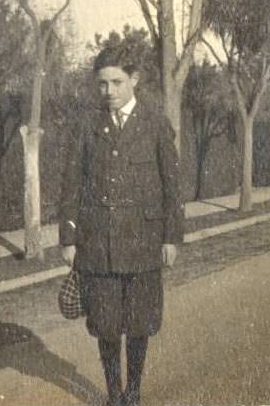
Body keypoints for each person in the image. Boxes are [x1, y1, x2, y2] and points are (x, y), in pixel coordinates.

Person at [59, 44, 184, 406]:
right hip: (98, 244)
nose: (108, 92)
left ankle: (134, 390)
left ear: (134, 80)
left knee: (140, 324)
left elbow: (171, 184)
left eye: (116, 82)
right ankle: (114, 394)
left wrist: (171, 237)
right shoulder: (87, 125)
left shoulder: (155, 122)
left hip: (144, 242)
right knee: (106, 326)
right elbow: (71, 183)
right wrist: (69, 237)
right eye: (101, 84)